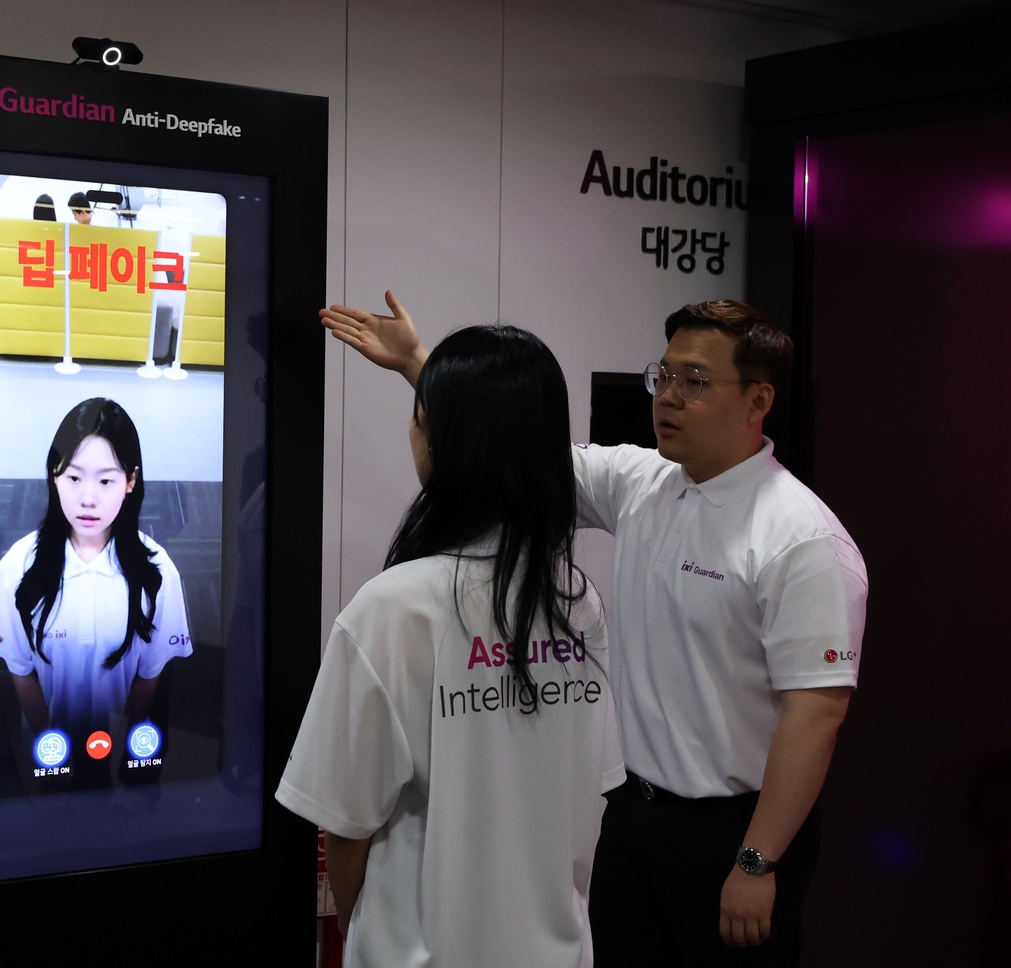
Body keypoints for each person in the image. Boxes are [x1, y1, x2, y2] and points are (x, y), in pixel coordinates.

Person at [320, 293, 867, 967]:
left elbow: (816, 715)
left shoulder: (802, 539)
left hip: (735, 829)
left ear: (758, 400)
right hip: (632, 815)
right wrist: (420, 365)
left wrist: (757, 860)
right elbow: (512, 443)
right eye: (663, 376)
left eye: (695, 381)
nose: (668, 397)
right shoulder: (646, 482)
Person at [277, 326, 624, 967]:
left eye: (419, 418)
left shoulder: (390, 609)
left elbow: (345, 827)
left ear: (437, 440)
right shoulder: (577, 600)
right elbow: (591, 788)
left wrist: (364, 936)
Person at [0, 398, 191, 743]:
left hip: (121, 748)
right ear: (54, 475)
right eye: (74, 477)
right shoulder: (17, 566)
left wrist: (119, 748)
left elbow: (149, 676)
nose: (88, 499)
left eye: (105, 481)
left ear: (130, 480)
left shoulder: (159, 571)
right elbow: (21, 670)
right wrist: (50, 743)